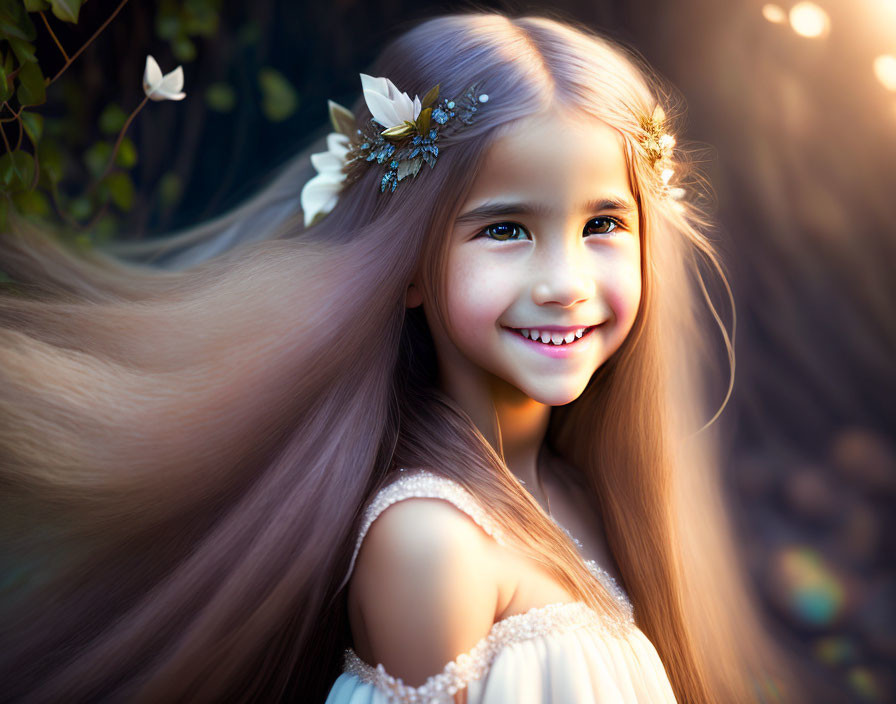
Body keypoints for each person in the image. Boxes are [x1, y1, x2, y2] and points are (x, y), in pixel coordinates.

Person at [0, 9, 814, 704]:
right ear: (411, 266)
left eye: (603, 224)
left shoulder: (579, 487)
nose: (565, 283)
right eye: (505, 229)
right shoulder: (432, 543)